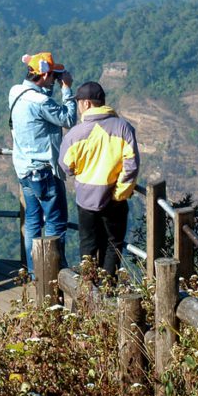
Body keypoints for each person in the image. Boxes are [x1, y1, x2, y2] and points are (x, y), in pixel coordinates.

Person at [59, 81, 139, 281]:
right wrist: (119, 193)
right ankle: (108, 290)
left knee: (88, 246)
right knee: (113, 245)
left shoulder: (75, 134)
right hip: (114, 198)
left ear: (86, 104)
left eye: (79, 102)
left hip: (86, 199)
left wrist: (82, 171)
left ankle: (87, 292)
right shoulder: (123, 128)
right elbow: (131, 165)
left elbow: (66, 165)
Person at [9, 52, 77, 273]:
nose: (56, 79)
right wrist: (66, 88)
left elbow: (41, 99)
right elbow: (68, 119)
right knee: (56, 223)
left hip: (24, 171)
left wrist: (50, 84)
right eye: (54, 75)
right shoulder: (41, 102)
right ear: (46, 74)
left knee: (32, 222)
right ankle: (54, 274)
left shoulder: (16, 92)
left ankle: (33, 272)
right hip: (44, 172)